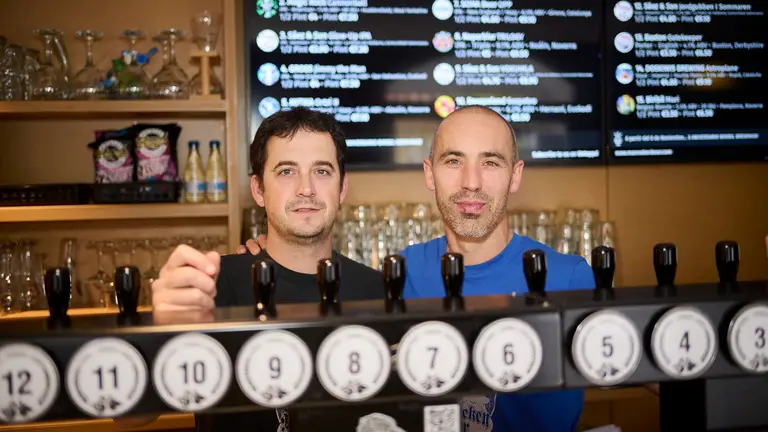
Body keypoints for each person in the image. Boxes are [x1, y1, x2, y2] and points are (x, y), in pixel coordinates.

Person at [242, 105, 596, 432]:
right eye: (453, 161)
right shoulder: (398, 275)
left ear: (515, 176)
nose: (471, 182)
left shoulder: (569, 277)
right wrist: (260, 257)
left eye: (490, 162)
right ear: (430, 174)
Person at [146, 107, 385, 431]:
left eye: (322, 171)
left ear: (342, 188)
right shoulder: (211, 288)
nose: (306, 189)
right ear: (258, 189)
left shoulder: (377, 290)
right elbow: (130, 419)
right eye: (287, 171)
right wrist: (159, 337)